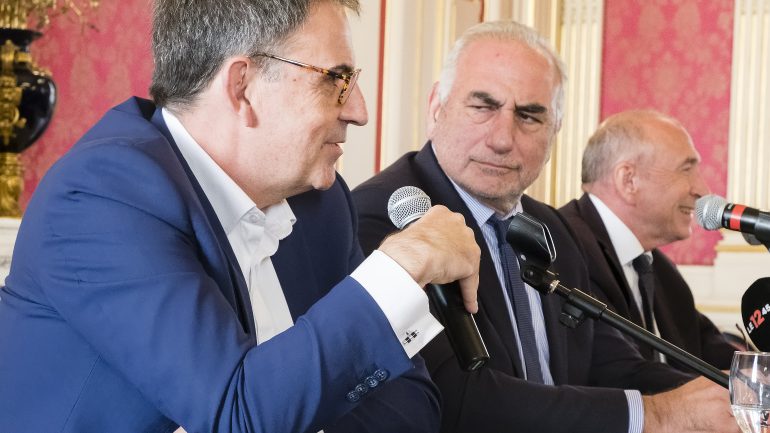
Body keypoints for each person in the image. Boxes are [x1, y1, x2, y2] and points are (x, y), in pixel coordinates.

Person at [0, 1, 483, 432]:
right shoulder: (102, 197)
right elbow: (238, 414)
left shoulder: (319, 203)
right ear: (243, 88)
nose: (358, 111)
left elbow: (411, 407)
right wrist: (402, 264)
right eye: (336, 80)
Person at [352, 20, 738, 433]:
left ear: (556, 131)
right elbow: (455, 399)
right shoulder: (384, 217)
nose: (502, 138)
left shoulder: (551, 227)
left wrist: (732, 396)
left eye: (529, 116)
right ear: (436, 107)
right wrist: (659, 415)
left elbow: (611, 365)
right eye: (483, 107)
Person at [559, 110, 737, 371]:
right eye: (686, 170)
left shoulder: (660, 270)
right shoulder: (566, 250)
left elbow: (711, 350)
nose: (702, 190)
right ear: (628, 180)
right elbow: (618, 375)